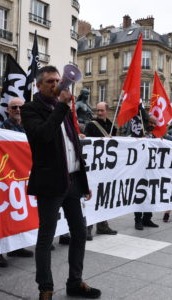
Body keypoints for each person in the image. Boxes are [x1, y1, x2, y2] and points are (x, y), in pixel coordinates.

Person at [21, 65, 101, 300]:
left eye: (58, 80)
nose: (57, 85)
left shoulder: (63, 109)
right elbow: (43, 136)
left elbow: (73, 145)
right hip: (50, 182)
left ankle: (75, 282)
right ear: (38, 85)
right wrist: (63, 107)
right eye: (50, 82)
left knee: (79, 233)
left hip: (73, 181)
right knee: (46, 237)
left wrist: (83, 182)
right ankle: (45, 287)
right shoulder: (30, 109)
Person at [0, 97, 34, 266]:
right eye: (14, 107)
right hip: (4, 178)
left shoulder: (28, 128)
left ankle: (16, 246)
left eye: (20, 107)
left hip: (22, 177)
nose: (17, 110)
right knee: (1, 215)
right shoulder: (0, 128)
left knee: (19, 212)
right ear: (8, 110)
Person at [84, 101, 118, 239]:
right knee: (91, 198)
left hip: (107, 167)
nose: (99, 113)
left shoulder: (111, 126)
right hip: (94, 166)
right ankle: (88, 227)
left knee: (104, 196)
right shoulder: (91, 125)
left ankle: (103, 225)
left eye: (101, 110)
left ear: (107, 110)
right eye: (97, 110)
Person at [134, 115, 160, 230]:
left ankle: (147, 218)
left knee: (150, 195)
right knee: (140, 194)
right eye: (151, 123)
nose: (152, 125)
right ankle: (138, 220)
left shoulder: (154, 136)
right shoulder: (137, 134)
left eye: (154, 124)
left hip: (151, 171)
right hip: (139, 171)